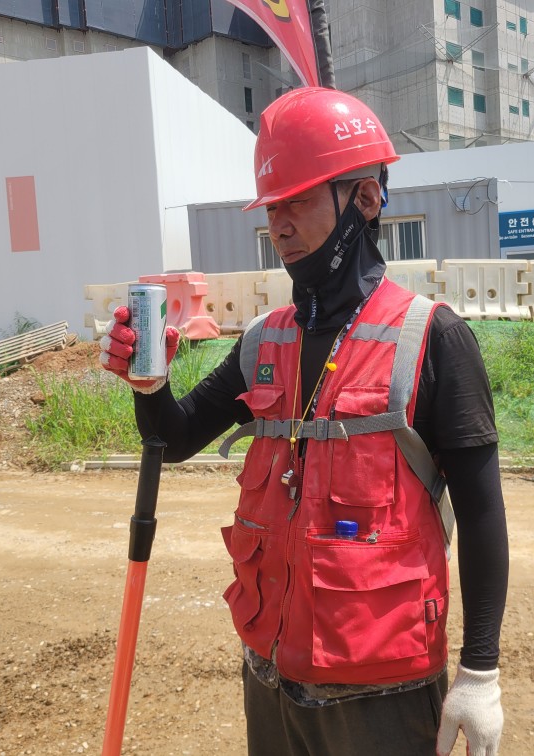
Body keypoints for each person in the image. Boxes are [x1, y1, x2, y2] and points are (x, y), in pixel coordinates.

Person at [100, 87, 509, 756]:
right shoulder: (265, 341)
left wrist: (480, 671)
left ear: (365, 198)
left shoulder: (433, 339)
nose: (279, 225)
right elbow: (172, 439)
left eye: (298, 202)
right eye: (272, 207)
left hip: (381, 697)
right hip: (271, 682)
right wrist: (150, 385)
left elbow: (483, 513)